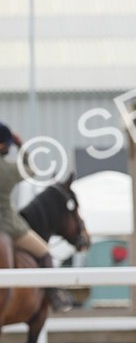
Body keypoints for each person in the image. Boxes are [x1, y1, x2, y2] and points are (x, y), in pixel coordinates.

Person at [0, 123, 72, 311]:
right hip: (10, 226)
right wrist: (20, 145)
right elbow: (30, 168)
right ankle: (53, 295)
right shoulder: (8, 170)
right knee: (44, 252)